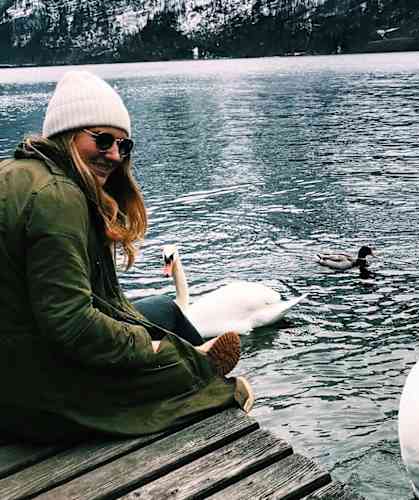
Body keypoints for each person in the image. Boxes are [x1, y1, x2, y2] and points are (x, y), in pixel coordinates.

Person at [0, 71, 254, 443]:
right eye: (103, 141)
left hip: (14, 363)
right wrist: (148, 347)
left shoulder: (16, 172)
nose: (115, 155)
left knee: (161, 313)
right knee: (202, 382)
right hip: (24, 398)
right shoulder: (58, 197)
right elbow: (71, 324)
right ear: (68, 134)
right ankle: (194, 363)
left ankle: (189, 354)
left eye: (124, 145)